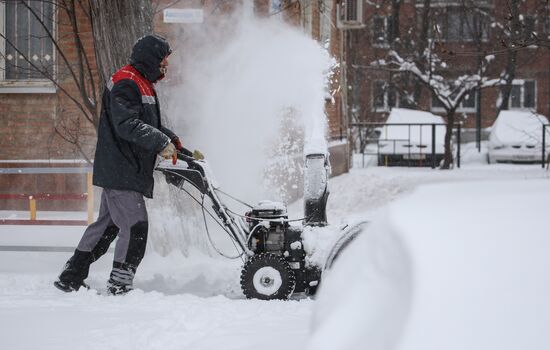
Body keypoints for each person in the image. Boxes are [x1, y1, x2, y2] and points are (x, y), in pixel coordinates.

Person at [54, 34, 187, 295]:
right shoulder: (127, 82)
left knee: (106, 225)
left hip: (124, 168)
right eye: (163, 60)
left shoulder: (142, 83)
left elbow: (146, 123)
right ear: (150, 57)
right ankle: (120, 283)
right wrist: (160, 142)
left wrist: (171, 140)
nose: (165, 66)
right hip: (122, 168)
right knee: (136, 225)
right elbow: (126, 125)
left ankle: (71, 275)